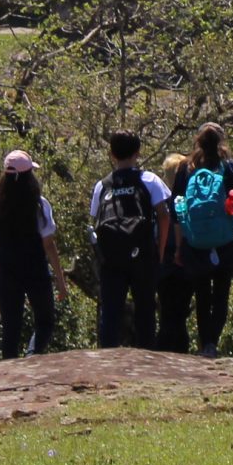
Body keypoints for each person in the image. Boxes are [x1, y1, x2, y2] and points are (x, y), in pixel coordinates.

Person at [88, 130, 170, 350]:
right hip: (143, 254)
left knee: (111, 310)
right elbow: (164, 215)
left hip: (111, 257)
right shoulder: (149, 180)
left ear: (112, 154)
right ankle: (147, 357)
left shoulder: (102, 185)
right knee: (145, 309)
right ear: (138, 152)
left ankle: (107, 357)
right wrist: (160, 251)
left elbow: (95, 219)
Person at [0, 149, 68, 360]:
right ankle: (33, 355)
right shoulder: (39, 205)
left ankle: (8, 372)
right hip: (35, 270)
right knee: (45, 321)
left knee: (10, 328)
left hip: (8, 272)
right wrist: (60, 279)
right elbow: (48, 244)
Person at [172, 124, 233, 359]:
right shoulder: (230, 167)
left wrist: (180, 243)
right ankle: (213, 341)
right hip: (224, 239)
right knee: (221, 292)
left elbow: (178, 209)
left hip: (194, 240)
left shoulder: (186, 167)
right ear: (222, 141)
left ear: (198, 141)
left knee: (202, 293)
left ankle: (205, 344)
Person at [155, 150, 195, 352]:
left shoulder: (161, 205)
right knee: (180, 313)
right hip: (186, 264)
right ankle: (179, 351)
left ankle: (164, 351)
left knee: (167, 313)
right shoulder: (188, 203)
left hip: (164, 266)